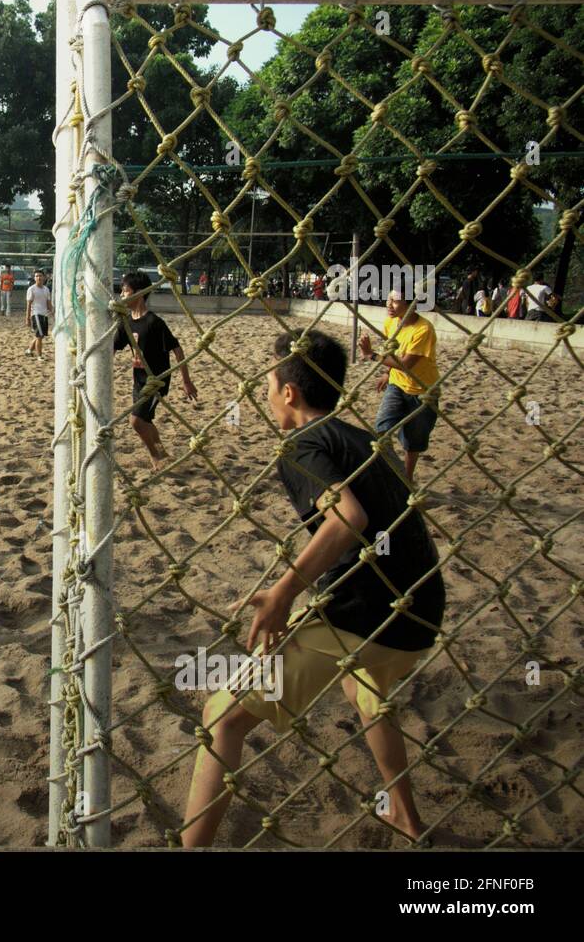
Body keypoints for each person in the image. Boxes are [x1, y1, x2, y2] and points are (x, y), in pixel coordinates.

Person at [182, 329, 445, 847]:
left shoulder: (302, 444)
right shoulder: (361, 437)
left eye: (269, 382)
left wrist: (285, 592)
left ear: (289, 393)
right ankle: (406, 820)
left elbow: (349, 516)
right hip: (421, 614)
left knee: (222, 718)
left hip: (366, 613)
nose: (266, 391)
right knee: (363, 690)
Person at [115, 271, 197, 467]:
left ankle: (156, 457)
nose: (122, 296)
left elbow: (177, 349)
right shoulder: (126, 322)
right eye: (122, 292)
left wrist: (186, 381)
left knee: (136, 421)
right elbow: (112, 348)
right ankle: (162, 453)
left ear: (139, 294)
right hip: (139, 379)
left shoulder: (154, 323)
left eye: (126, 291)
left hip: (156, 380)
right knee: (145, 421)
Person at [358, 289, 440, 484]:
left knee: (413, 443)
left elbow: (406, 364)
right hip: (397, 385)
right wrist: (387, 374)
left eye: (395, 301)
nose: (389, 304)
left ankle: (407, 478)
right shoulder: (391, 323)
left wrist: (371, 355)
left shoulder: (423, 329)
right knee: (381, 431)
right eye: (389, 299)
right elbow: (394, 354)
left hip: (423, 391)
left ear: (411, 304)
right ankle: (392, 473)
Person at [25, 270, 52, 360]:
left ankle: (29, 350)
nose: (38, 278)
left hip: (44, 315)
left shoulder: (46, 289)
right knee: (39, 336)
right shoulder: (31, 289)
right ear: (34, 278)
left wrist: (53, 312)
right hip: (36, 314)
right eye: (36, 276)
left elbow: (48, 304)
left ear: (44, 277)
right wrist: (28, 318)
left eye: (40, 276)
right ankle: (39, 356)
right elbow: (28, 304)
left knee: (40, 336)